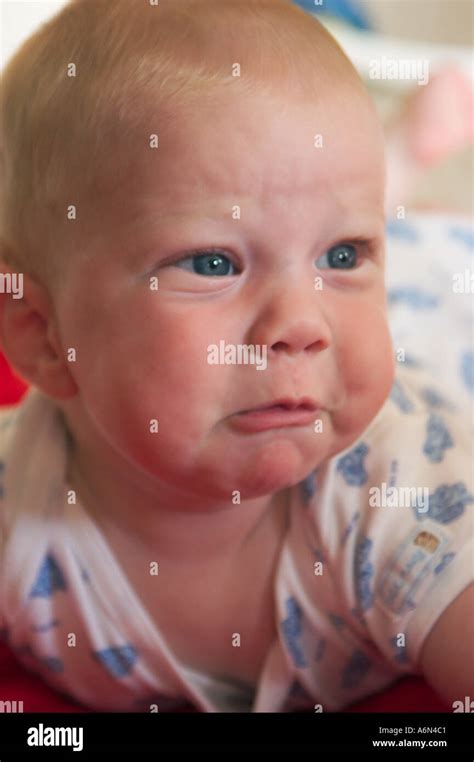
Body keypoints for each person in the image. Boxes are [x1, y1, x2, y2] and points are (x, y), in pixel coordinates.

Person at [0, 0, 472, 713]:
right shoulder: (17, 508)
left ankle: (401, 164)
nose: (301, 324)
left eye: (347, 254)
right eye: (213, 263)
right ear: (42, 332)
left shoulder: (405, 495)